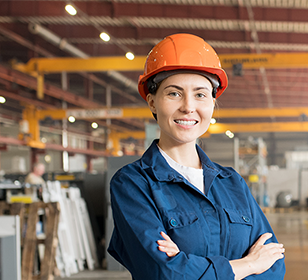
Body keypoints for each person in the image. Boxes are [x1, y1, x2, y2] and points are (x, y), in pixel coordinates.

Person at [108, 33, 285, 279]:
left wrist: (189, 264)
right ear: (152, 102)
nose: (188, 106)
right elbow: (164, 272)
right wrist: (249, 265)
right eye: (174, 93)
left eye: (200, 94)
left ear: (212, 103)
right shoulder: (133, 184)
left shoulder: (232, 183)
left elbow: (274, 266)